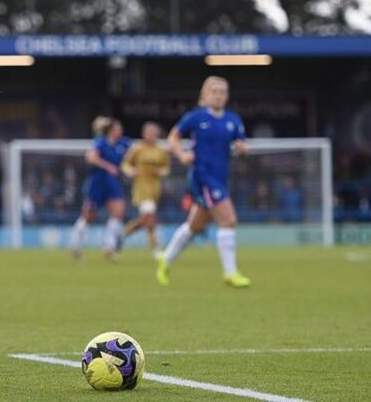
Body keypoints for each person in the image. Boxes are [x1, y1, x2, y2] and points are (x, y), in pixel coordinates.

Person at [157, 76, 251, 288]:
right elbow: (173, 137)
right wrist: (181, 155)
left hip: (220, 177)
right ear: (205, 95)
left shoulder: (233, 120)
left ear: (227, 96)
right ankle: (230, 272)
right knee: (228, 219)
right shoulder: (195, 117)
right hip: (202, 176)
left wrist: (244, 149)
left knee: (195, 226)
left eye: (222, 92)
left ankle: (166, 258)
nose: (218, 96)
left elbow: (241, 144)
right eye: (214, 91)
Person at [70, 116, 130, 261]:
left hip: (112, 183)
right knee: (89, 214)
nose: (120, 130)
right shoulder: (101, 143)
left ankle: (109, 248)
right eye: (117, 128)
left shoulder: (123, 144)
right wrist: (108, 166)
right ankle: (75, 246)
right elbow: (91, 157)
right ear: (110, 130)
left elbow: (133, 154)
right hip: (97, 182)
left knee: (118, 211)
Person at [121, 122, 170, 257]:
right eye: (149, 133)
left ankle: (122, 235)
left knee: (145, 219)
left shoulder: (161, 150)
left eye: (154, 133)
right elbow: (125, 163)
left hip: (155, 188)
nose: (152, 136)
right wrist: (131, 171)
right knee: (150, 217)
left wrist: (162, 172)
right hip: (141, 188)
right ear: (144, 134)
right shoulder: (137, 149)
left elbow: (167, 168)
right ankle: (155, 248)